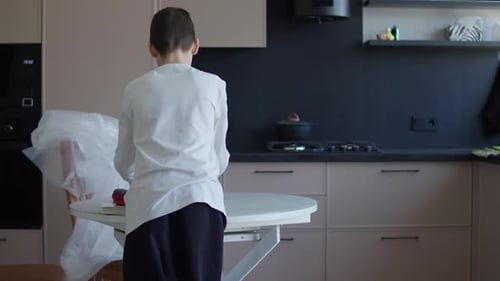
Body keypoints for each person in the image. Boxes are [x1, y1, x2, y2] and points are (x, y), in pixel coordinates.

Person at [113, 7, 229, 281]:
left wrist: (140, 178)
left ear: (152, 49)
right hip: (202, 205)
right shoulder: (214, 85)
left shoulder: (135, 89)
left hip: (148, 208)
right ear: (196, 45)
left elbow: (124, 160)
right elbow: (219, 155)